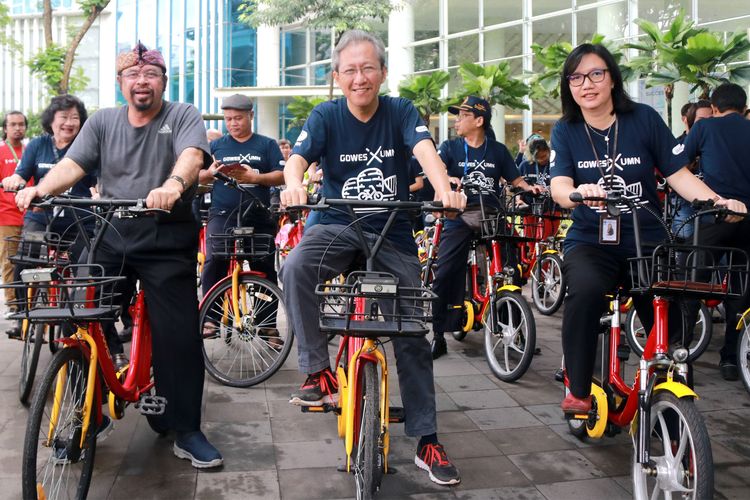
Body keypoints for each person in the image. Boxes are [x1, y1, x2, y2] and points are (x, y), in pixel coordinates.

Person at [15, 42, 223, 468]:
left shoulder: (182, 115)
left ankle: (184, 427)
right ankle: (89, 412)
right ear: (121, 82)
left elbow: (191, 156)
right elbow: (73, 165)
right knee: (82, 315)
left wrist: (172, 185)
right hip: (112, 232)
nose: (141, 82)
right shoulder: (104, 121)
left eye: (150, 75)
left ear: (162, 81)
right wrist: (41, 188)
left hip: (166, 233)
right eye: (132, 75)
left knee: (177, 331)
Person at [279, 30, 464, 486]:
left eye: (368, 68)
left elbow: (425, 152)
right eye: (349, 70)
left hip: (393, 230)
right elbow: (297, 160)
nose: (359, 78)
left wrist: (443, 190)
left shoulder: (400, 110)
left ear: (382, 72)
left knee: (411, 331)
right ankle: (317, 371)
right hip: (337, 224)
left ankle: (426, 439)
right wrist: (294, 183)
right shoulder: (326, 115)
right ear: (337, 77)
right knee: (298, 265)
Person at [549, 44, 746, 414]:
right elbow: (559, 187)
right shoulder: (566, 130)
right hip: (592, 241)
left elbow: (679, 175)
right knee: (587, 291)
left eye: (595, 74)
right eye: (575, 77)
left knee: (668, 318)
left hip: (646, 240)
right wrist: (578, 192)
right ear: (568, 85)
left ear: (611, 78)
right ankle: (577, 385)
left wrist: (718, 202)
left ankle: (669, 388)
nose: (586, 84)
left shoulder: (643, 118)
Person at [430, 95, 543, 359]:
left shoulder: (498, 150)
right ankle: (438, 334)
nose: (457, 120)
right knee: (446, 269)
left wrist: (530, 188)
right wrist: (448, 178)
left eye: (463, 115)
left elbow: (516, 180)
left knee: (513, 267)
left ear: (479, 120)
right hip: (459, 214)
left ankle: (516, 328)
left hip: (491, 215)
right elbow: (436, 171)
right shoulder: (450, 147)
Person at [2, 96, 100, 341]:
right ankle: (22, 311)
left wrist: (100, 191)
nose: (69, 122)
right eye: (64, 117)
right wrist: (16, 181)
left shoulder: (87, 145)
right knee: (26, 254)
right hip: (42, 217)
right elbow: (22, 174)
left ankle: (80, 321)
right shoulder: (38, 145)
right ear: (51, 120)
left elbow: (99, 180)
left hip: (79, 220)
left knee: (86, 265)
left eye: (75, 117)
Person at [682, 83, 750, 381]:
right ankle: (732, 359)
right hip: (748, 219)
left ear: (716, 107)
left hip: (713, 217)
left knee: (692, 286)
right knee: (742, 291)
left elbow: (679, 163)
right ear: (744, 108)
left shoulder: (705, 128)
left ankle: (681, 357)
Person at [198, 94, 284, 297]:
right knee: (214, 260)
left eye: (238, 118)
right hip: (222, 213)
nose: (233, 123)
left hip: (257, 213)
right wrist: (210, 173)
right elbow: (198, 175)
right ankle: (210, 318)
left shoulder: (267, 144)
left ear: (251, 115)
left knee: (263, 263)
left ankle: (267, 323)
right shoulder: (216, 146)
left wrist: (255, 177)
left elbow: (281, 175)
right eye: (228, 119)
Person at [669, 100, 712, 240]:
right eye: (701, 120)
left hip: (713, 203)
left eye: (710, 120)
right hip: (685, 203)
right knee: (686, 251)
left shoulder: (717, 145)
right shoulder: (678, 144)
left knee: (716, 252)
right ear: (690, 120)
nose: (706, 124)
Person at [0, 111, 26, 319]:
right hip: (6, 217)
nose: (18, 128)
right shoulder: (1, 152)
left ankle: (29, 303)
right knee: (10, 262)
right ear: (5, 128)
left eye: (21, 124)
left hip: (31, 216)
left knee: (30, 263)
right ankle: (13, 305)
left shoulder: (30, 151)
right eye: (13, 124)